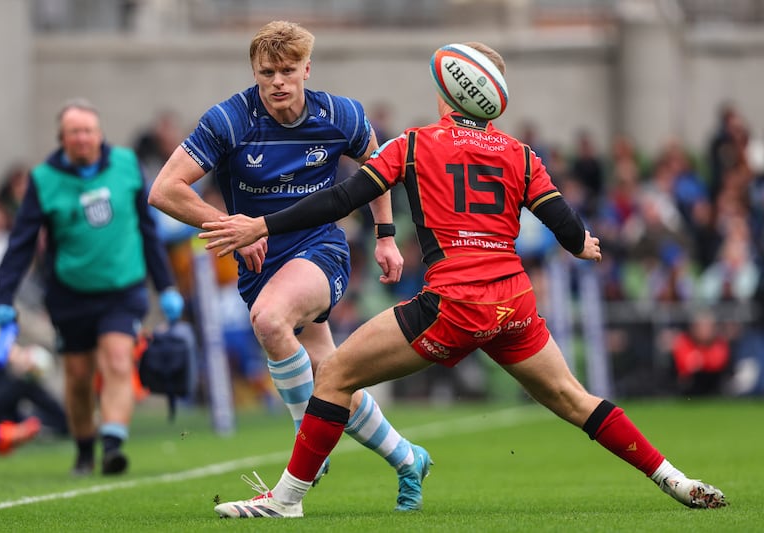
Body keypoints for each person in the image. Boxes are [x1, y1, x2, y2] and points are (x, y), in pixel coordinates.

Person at [202, 41, 728, 518]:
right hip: (514, 303)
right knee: (575, 399)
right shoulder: (521, 154)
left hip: (454, 303)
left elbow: (341, 199)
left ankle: (287, 501)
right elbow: (567, 227)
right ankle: (674, 478)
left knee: (335, 375)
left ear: (448, 91)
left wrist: (262, 223)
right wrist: (583, 245)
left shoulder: (412, 145)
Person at [148, 20, 431, 510]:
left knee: (269, 319)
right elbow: (164, 189)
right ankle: (407, 457)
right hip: (260, 261)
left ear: (306, 68)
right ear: (254, 73)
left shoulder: (340, 115)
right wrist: (229, 226)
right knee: (331, 374)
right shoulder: (230, 120)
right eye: (267, 72)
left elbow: (379, 169)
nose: (277, 81)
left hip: (320, 249)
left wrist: (385, 238)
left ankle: (308, 449)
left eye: (287, 70)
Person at [0, 98, 184, 476]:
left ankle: (112, 445)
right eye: (74, 132)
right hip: (70, 292)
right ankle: (84, 449)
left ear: (100, 134)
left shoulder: (127, 166)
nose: (82, 138)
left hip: (122, 289)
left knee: (116, 360)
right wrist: (2, 297)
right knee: (78, 377)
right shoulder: (44, 180)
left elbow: (148, 231)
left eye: (88, 131)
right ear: (61, 138)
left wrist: (166, 287)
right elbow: (22, 243)